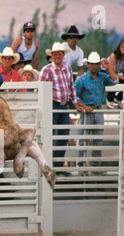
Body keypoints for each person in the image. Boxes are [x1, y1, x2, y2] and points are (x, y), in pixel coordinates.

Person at [38, 42, 80, 176]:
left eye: (59, 54)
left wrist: (75, 103)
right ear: (51, 56)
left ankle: (58, 167)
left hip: (64, 105)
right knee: (49, 135)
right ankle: (48, 166)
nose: (57, 56)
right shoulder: (47, 69)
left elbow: (71, 87)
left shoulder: (67, 69)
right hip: (52, 104)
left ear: (63, 55)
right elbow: (38, 88)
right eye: (55, 54)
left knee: (63, 136)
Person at [75, 52, 118, 175]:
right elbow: (74, 95)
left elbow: (115, 81)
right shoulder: (81, 79)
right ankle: (82, 166)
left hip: (98, 109)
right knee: (84, 139)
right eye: (92, 64)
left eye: (96, 64)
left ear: (99, 65)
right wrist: (84, 106)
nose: (94, 66)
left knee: (97, 139)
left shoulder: (103, 76)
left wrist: (109, 68)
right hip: (87, 111)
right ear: (88, 65)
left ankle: (94, 166)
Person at [106, 38, 124, 109]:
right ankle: (109, 99)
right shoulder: (113, 56)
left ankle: (118, 99)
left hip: (116, 74)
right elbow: (112, 73)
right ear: (119, 48)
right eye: (123, 47)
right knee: (114, 80)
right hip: (106, 74)